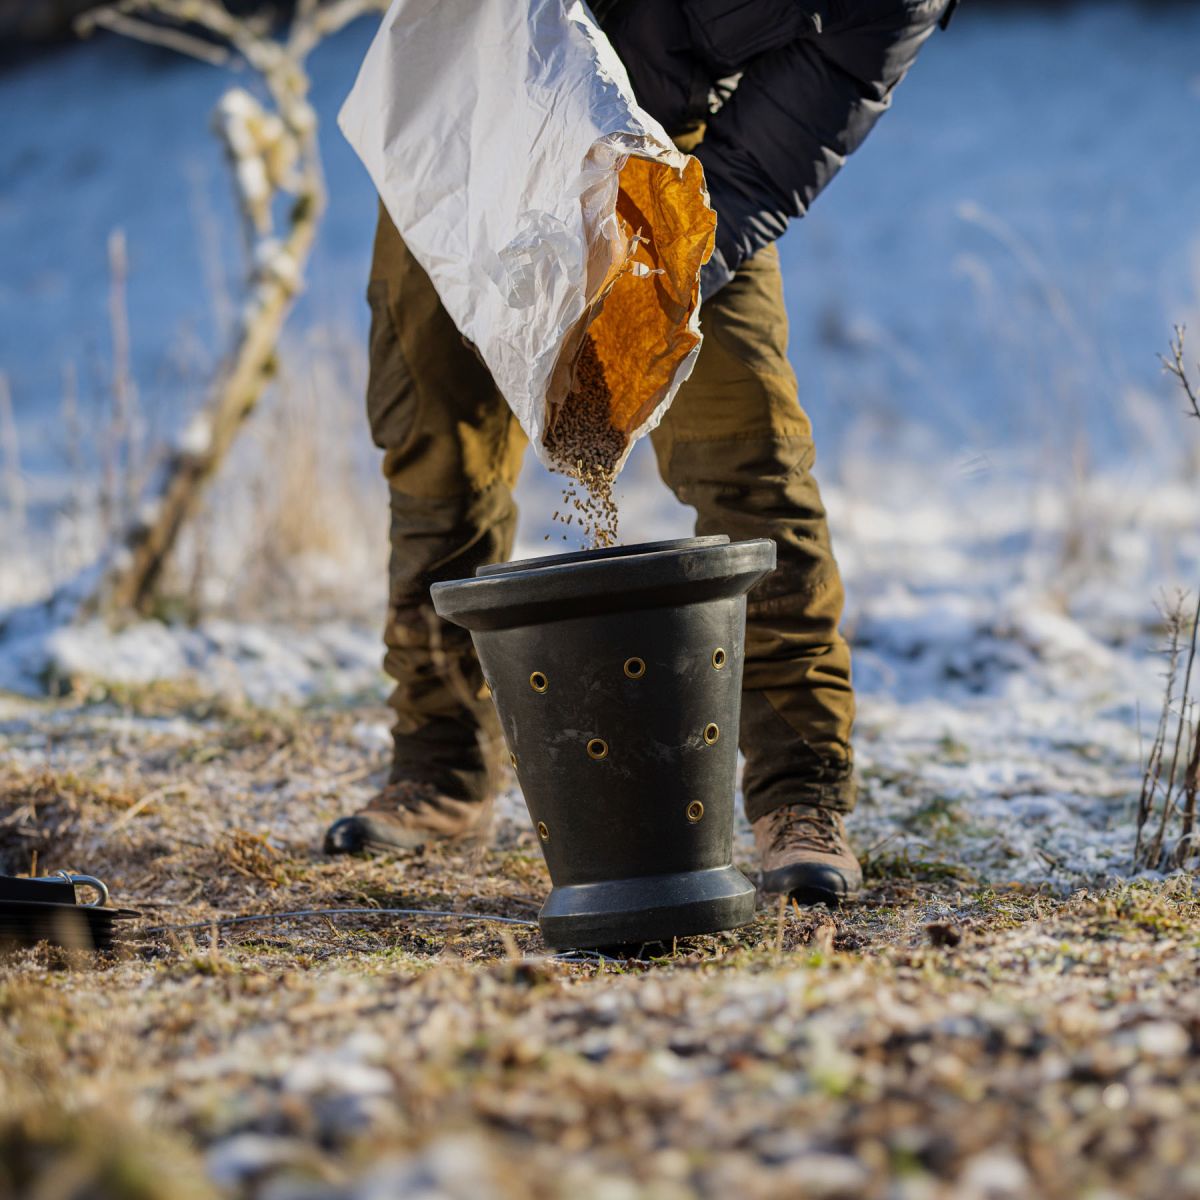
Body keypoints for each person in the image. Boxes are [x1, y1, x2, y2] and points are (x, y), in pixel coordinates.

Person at [324, 0, 958, 906]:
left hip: (662, 156)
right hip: (475, 120)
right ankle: (440, 766)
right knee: (436, 446)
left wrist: (654, 288)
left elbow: (763, 160)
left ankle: (800, 796)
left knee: (752, 457)